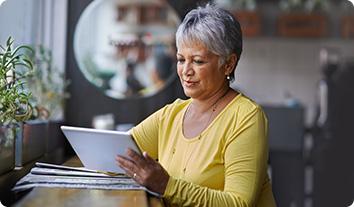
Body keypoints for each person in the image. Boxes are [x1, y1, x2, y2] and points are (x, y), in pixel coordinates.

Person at [116, 4, 276, 206]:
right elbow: (118, 154)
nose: (185, 71)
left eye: (198, 61)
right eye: (181, 59)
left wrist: (167, 186)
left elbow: (239, 203)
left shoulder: (246, 117)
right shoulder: (171, 115)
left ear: (228, 64)